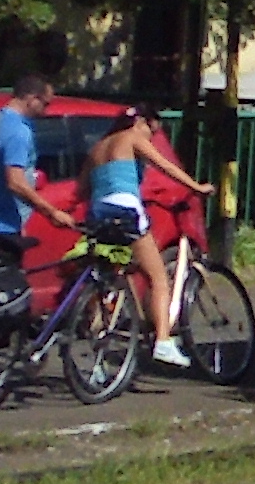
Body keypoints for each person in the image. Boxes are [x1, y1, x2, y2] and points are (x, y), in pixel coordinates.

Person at [83, 106, 208, 370]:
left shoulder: (98, 148)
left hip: (98, 212)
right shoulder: (132, 137)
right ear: (140, 121)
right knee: (159, 277)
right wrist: (196, 187)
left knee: (112, 275)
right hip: (126, 210)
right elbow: (165, 166)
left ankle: (97, 354)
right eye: (152, 129)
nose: (152, 136)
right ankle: (163, 341)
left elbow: (83, 188)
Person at [0, 70, 77, 337]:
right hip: (3, 226)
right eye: (45, 103)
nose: (47, 110)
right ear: (31, 98)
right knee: (3, 302)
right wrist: (51, 211)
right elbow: (16, 181)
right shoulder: (18, 132)